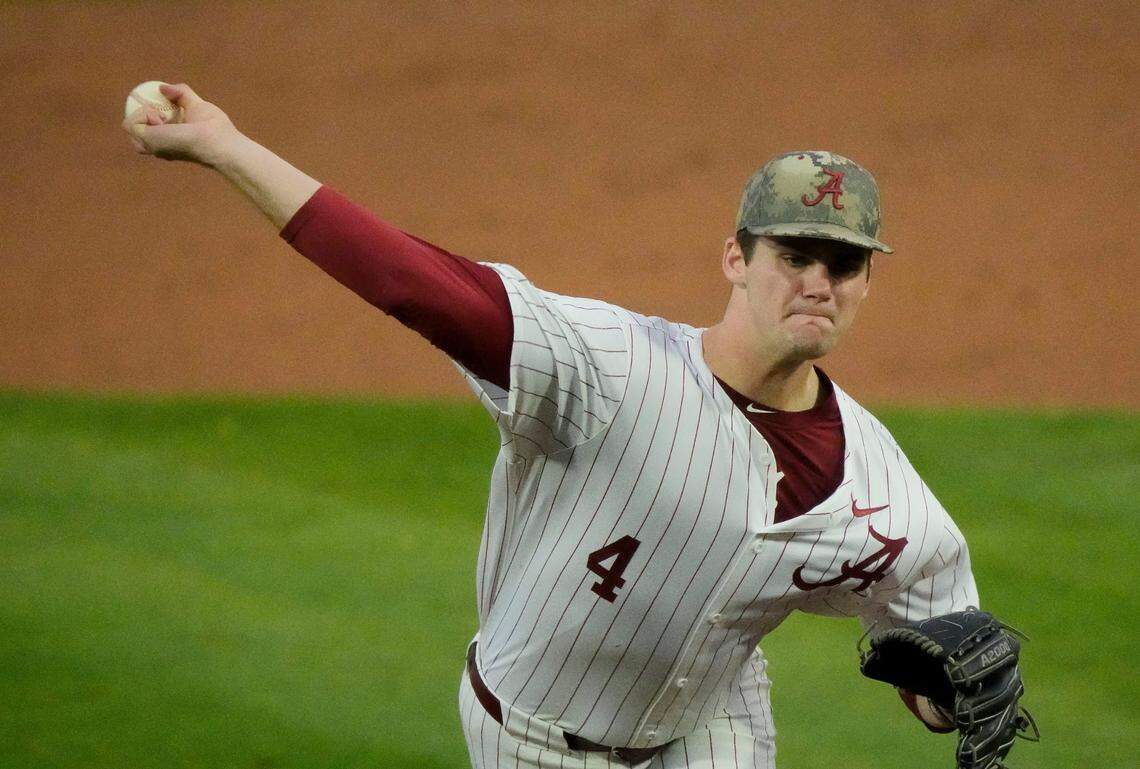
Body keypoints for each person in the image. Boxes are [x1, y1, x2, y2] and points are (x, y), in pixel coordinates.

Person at [124, 84, 981, 768]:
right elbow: (409, 280)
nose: (818, 282)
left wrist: (947, 700)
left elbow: (933, 657)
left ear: (866, 282)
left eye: (844, 264)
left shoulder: (886, 493)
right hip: (532, 735)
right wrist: (225, 146)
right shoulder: (606, 369)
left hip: (710, 727)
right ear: (736, 257)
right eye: (794, 255)